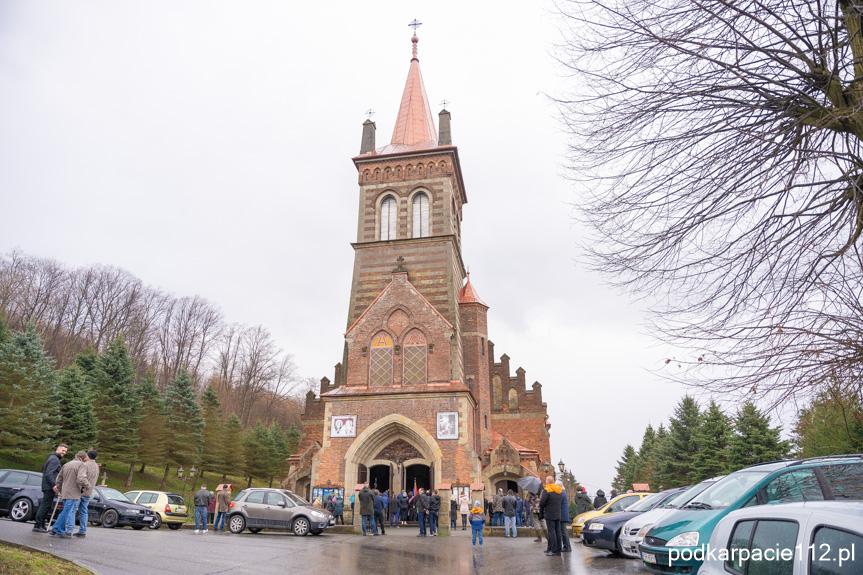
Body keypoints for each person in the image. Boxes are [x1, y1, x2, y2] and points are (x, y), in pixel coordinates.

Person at [50, 451, 89, 539]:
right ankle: (60, 530)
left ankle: (55, 528)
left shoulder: (67, 464)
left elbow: (59, 478)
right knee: (67, 511)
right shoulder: (81, 465)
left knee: (65, 510)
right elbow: (81, 478)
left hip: (65, 491)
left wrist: (59, 488)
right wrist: (87, 485)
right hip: (73, 492)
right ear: (83, 458)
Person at [33, 443, 67, 533]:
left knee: (47, 506)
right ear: (57, 449)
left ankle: (42, 525)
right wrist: (54, 485)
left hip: (48, 486)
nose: (64, 452)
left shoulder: (53, 458)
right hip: (49, 487)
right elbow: (49, 473)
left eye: (65, 451)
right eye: (62, 450)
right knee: (44, 506)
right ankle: (37, 525)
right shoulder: (54, 460)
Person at [73, 450, 99, 538]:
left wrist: (84, 486)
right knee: (84, 511)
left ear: (88, 456)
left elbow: (81, 477)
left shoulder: (85, 465)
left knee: (73, 510)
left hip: (81, 491)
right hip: (89, 492)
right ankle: (82, 530)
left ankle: (69, 529)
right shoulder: (96, 466)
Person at [539, 476, 563, 556]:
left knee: (552, 532)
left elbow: (542, 503)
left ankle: (554, 550)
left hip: (550, 513)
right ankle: (559, 549)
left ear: (547, 482)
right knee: (558, 532)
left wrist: (543, 509)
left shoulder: (547, 490)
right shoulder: (559, 490)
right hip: (558, 513)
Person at [558, 480, 572, 552]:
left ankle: (566, 546)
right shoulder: (563, 492)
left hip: (562, 514)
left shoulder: (561, 493)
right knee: (564, 530)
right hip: (564, 514)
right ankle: (568, 546)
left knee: (563, 531)